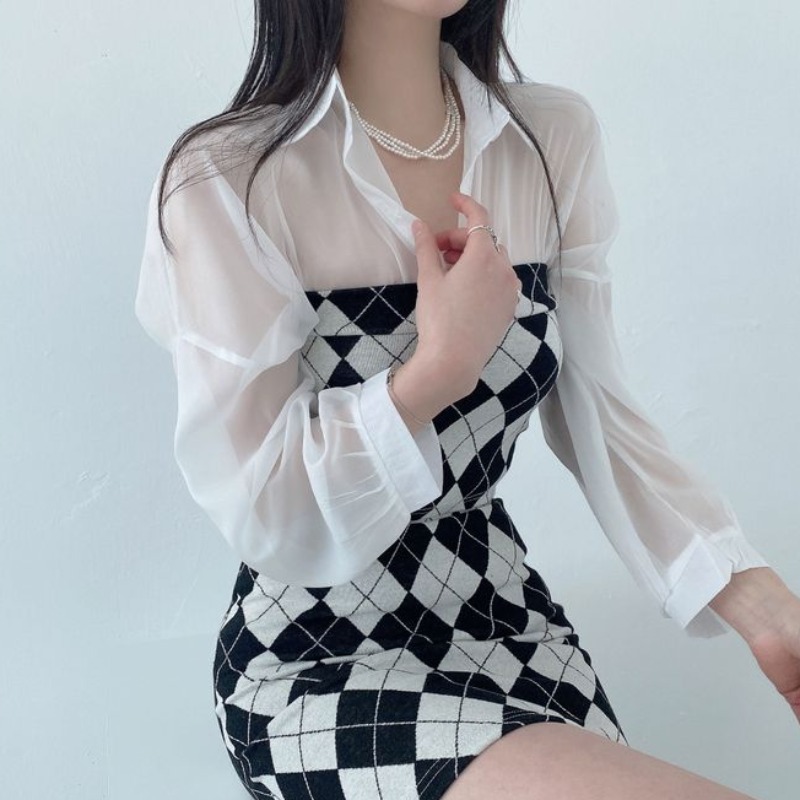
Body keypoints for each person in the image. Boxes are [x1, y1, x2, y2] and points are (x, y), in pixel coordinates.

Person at [134, 2, 800, 798]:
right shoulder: (229, 177)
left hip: (507, 622)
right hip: (313, 656)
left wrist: (760, 603)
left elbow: (603, 416)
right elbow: (267, 509)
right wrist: (435, 371)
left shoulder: (549, 140)